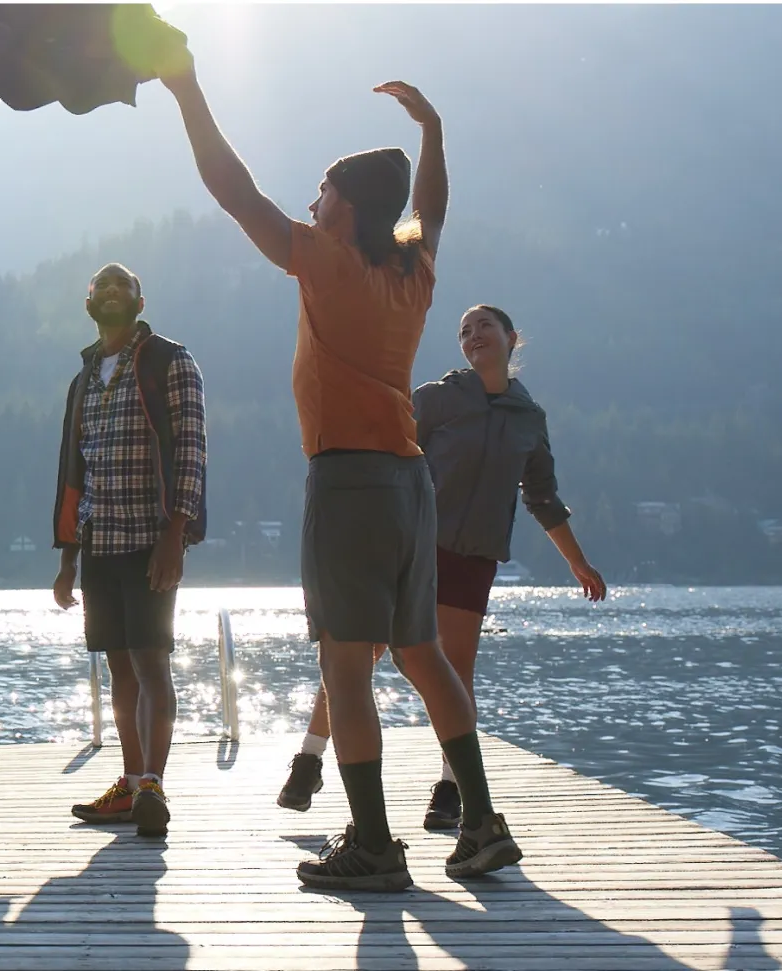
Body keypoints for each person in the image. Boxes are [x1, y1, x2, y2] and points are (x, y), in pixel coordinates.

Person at [160, 54, 520, 889]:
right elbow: (428, 209)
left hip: (349, 484)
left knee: (344, 668)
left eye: (321, 193)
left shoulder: (326, 258)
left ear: (344, 209)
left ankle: (372, 844)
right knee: (423, 655)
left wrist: (187, 88)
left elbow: (231, 187)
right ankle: (483, 822)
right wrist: (432, 131)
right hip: (409, 484)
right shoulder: (412, 273)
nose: (310, 203)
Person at [279, 304, 608, 828]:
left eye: (485, 327)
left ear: (510, 338)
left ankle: (451, 790)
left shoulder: (529, 418)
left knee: (457, 670)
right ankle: (310, 757)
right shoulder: (437, 399)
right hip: (410, 542)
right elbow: (384, 451)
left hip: (473, 556)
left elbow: (542, 498)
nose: (474, 335)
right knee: (360, 653)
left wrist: (578, 563)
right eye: (464, 331)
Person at [53, 262, 208, 838]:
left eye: (124, 286)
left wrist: (177, 535)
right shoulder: (85, 376)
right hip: (98, 542)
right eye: (102, 287)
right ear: (89, 303)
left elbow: (191, 448)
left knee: (150, 660)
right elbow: (74, 466)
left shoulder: (170, 360)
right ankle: (129, 780)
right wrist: (67, 557)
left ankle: (152, 786)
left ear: (140, 302)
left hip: (150, 540)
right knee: (118, 665)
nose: (112, 292)